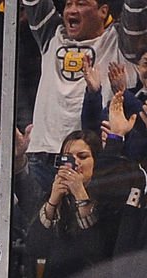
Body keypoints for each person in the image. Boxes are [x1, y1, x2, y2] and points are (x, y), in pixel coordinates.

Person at [24, 128, 143, 278]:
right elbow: (34, 247)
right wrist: (52, 201)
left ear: (96, 161)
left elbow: (96, 252)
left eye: (83, 156)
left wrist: (81, 196)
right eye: (68, 157)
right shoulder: (54, 197)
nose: (75, 163)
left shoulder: (111, 201)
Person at [22, 0, 147, 202]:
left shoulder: (119, 41)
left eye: (81, 4)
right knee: (40, 230)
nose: (71, 10)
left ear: (102, 11)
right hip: (43, 156)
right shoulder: (52, 36)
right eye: (68, 4)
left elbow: (136, 8)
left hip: (91, 160)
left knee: (85, 226)